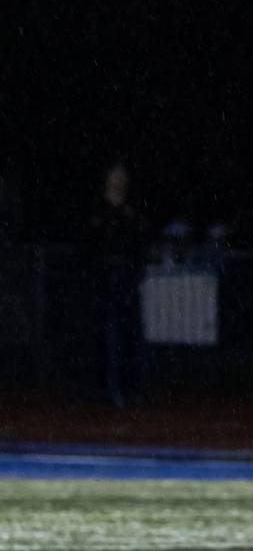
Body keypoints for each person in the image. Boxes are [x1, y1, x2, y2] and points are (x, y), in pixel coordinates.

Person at [88, 162, 148, 407]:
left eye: (122, 176)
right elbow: (90, 245)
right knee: (110, 337)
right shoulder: (99, 211)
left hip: (128, 278)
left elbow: (139, 241)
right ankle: (111, 389)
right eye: (115, 176)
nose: (119, 180)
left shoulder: (131, 212)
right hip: (105, 280)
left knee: (133, 337)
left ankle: (132, 388)